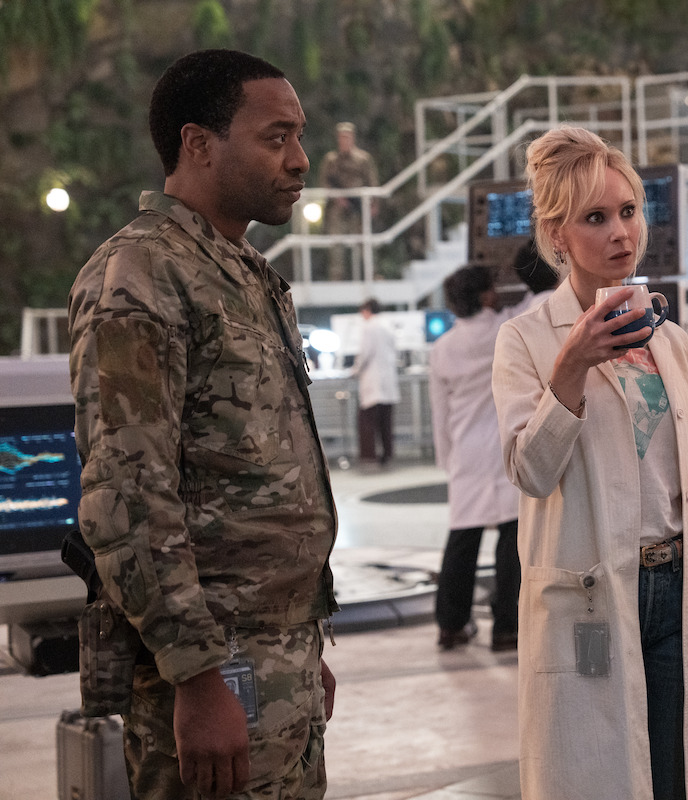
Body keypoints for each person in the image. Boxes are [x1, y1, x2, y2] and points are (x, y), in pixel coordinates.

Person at [67, 49, 338, 800]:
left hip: (276, 660)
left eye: (298, 136)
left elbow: (256, 475)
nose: (300, 159)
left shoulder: (245, 273)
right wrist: (196, 675)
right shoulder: (141, 276)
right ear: (199, 143)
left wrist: (300, 636)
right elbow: (126, 493)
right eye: (275, 137)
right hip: (213, 673)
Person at [492, 126, 688, 800]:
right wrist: (572, 367)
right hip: (594, 591)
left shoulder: (671, 340)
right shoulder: (524, 341)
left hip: (677, 585)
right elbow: (529, 470)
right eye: (595, 217)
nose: (620, 233)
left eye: (629, 211)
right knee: (598, 771)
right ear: (557, 235)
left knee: (674, 772)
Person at [428, 266, 525, 652]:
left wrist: (447, 460)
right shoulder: (507, 328)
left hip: (465, 449)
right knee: (511, 540)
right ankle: (506, 627)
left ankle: (450, 626)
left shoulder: (443, 347)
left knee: (462, 541)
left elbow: (439, 412)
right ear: (485, 296)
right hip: (505, 444)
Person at [319, 121, 379, 280]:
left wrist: (374, 204)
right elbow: (325, 182)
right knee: (336, 241)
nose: (344, 140)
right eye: (341, 137)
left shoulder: (363, 159)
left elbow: (372, 182)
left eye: (347, 137)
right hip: (338, 207)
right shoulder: (331, 160)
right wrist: (337, 197)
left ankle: (371, 273)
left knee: (363, 240)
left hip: (358, 204)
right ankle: (336, 275)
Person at [349, 297, 399, 466]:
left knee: (367, 421)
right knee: (386, 421)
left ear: (367, 310)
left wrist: (355, 370)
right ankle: (387, 453)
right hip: (388, 380)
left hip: (372, 380)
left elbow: (365, 353)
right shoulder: (388, 326)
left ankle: (369, 456)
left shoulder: (369, 327)